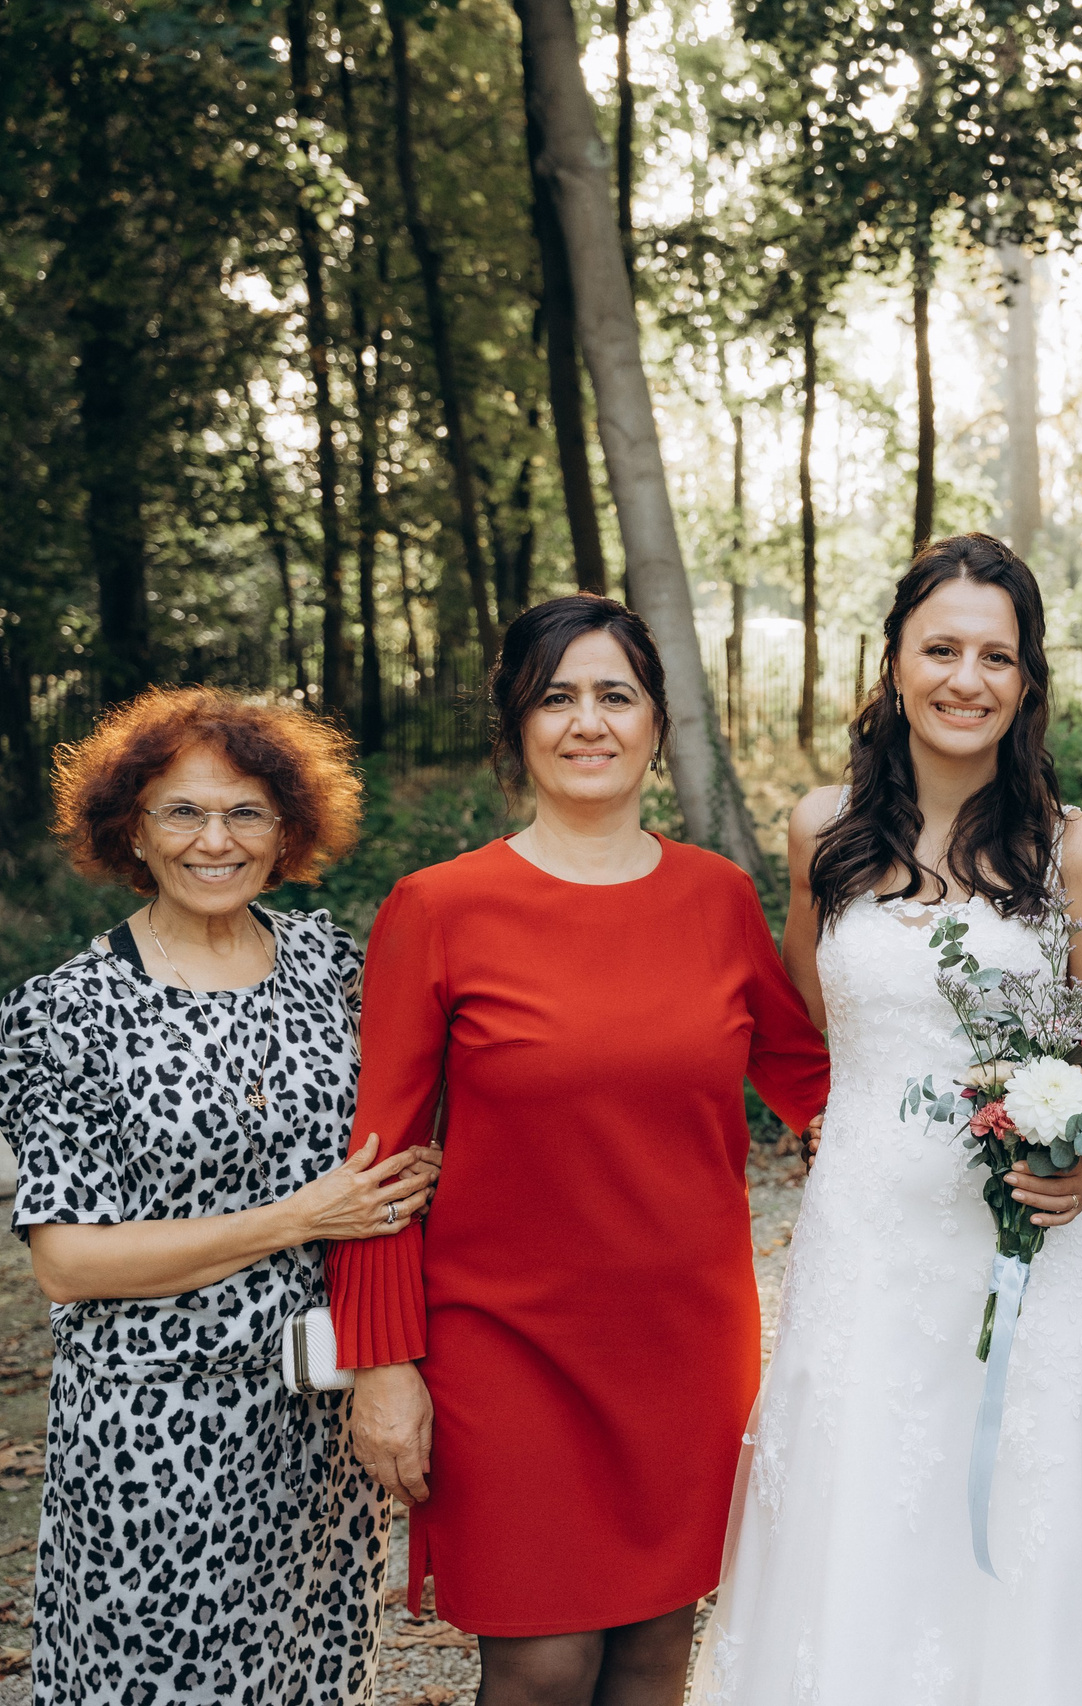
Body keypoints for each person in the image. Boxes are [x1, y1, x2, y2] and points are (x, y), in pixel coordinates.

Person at [692, 534, 1082, 1704]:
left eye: (995, 655)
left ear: (1027, 677)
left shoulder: (1078, 853)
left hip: (1030, 1252)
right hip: (866, 1238)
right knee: (861, 1517)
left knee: (1030, 1524)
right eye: (940, 648)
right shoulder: (821, 832)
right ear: (895, 662)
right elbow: (819, 1022)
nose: (967, 678)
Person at [330, 594, 830, 1706]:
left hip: (684, 1343)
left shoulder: (716, 897)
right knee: (542, 1667)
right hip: (505, 1342)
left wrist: (993, 1123)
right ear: (516, 725)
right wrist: (382, 1361)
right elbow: (381, 1159)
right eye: (556, 697)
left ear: (657, 722)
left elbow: (817, 1085)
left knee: (653, 1657)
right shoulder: (439, 907)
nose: (588, 721)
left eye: (616, 694)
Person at [0, 685, 441, 1705]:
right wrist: (301, 1216)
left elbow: (398, 1134)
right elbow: (68, 1260)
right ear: (132, 829)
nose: (215, 840)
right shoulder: (66, 1012)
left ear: (286, 832)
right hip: (156, 1432)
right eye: (183, 812)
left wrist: (427, 1169)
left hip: (321, 1424)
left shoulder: (329, 965)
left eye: (245, 812)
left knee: (313, 1678)